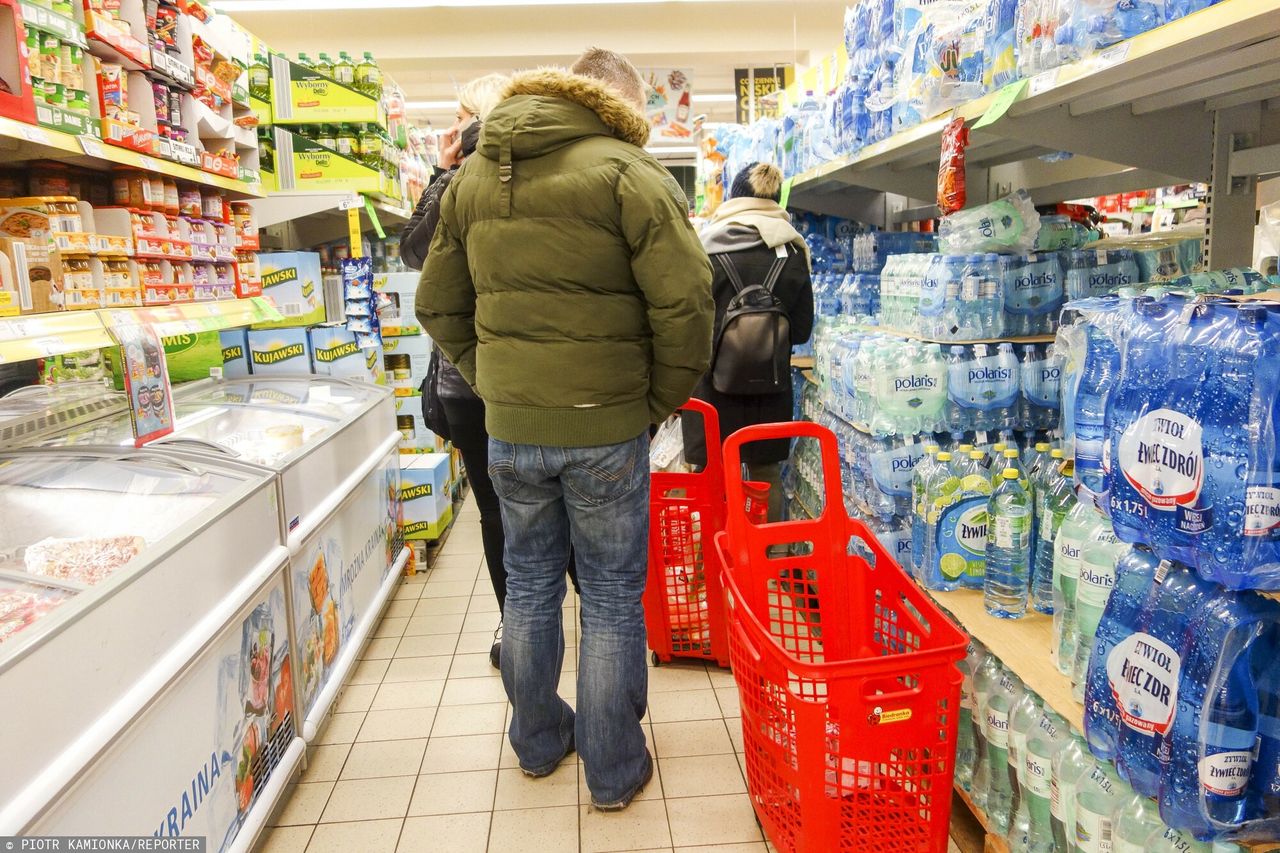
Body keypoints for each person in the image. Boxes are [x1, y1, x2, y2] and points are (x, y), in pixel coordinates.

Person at [416, 48, 714, 811]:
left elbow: (436, 302)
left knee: (530, 585)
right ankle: (613, 770)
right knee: (613, 595)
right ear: (616, 103)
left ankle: (539, 742)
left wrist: (496, 384)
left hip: (512, 426)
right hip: (607, 422)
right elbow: (688, 306)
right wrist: (653, 402)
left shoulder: (478, 175)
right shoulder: (631, 175)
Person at [403, 75, 514, 670]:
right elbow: (417, 254)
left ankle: (521, 620)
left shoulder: (478, 182)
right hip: (491, 378)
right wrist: (442, 172)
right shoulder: (470, 179)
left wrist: (445, 176)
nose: (452, 127)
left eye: (460, 116)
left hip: (479, 377)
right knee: (502, 506)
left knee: (504, 506)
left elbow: (417, 258)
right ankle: (523, 618)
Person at [684, 161, 814, 523]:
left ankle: (707, 565)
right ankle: (763, 565)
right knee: (765, 476)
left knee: (709, 478)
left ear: (734, 198)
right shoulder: (792, 252)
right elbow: (801, 331)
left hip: (710, 388)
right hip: (770, 387)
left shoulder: (702, 249)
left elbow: (688, 324)